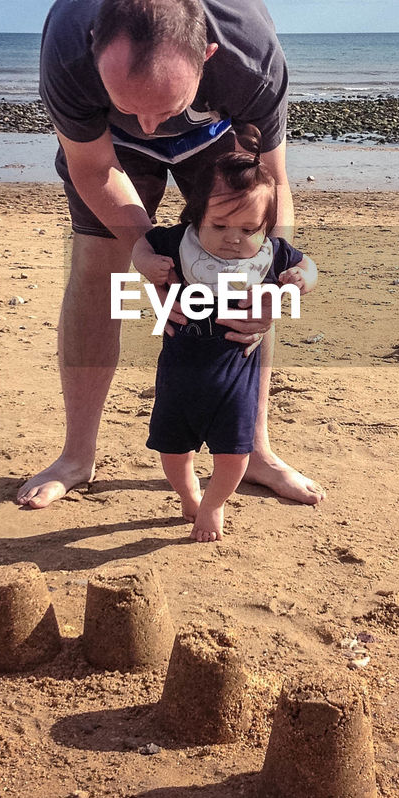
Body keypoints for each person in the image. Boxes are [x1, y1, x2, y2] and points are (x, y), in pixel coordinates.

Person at [16, 0, 323, 510]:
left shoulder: (249, 58)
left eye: (164, 104)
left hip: (217, 135)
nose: (152, 125)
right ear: (93, 49)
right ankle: (77, 454)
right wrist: (144, 248)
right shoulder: (67, 50)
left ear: (207, 55)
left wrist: (274, 282)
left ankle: (255, 449)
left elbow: (275, 186)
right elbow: (92, 165)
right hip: (112, 153)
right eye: (131, 103)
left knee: (244, 277)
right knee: (99, 274)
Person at [132, 127, 317, 543]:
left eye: (250, 229)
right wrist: (147, 265)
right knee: (173, 453)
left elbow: (310, 266)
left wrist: (301, 279)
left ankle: (214, 505)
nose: (234, 238)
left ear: (266, 227)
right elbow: (142, 243)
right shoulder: (179, 242)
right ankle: (189, 495)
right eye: (219, 225)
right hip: (179, 378)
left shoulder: (271, 254)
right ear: (196, 217)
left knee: (234, 455)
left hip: (236, 382)